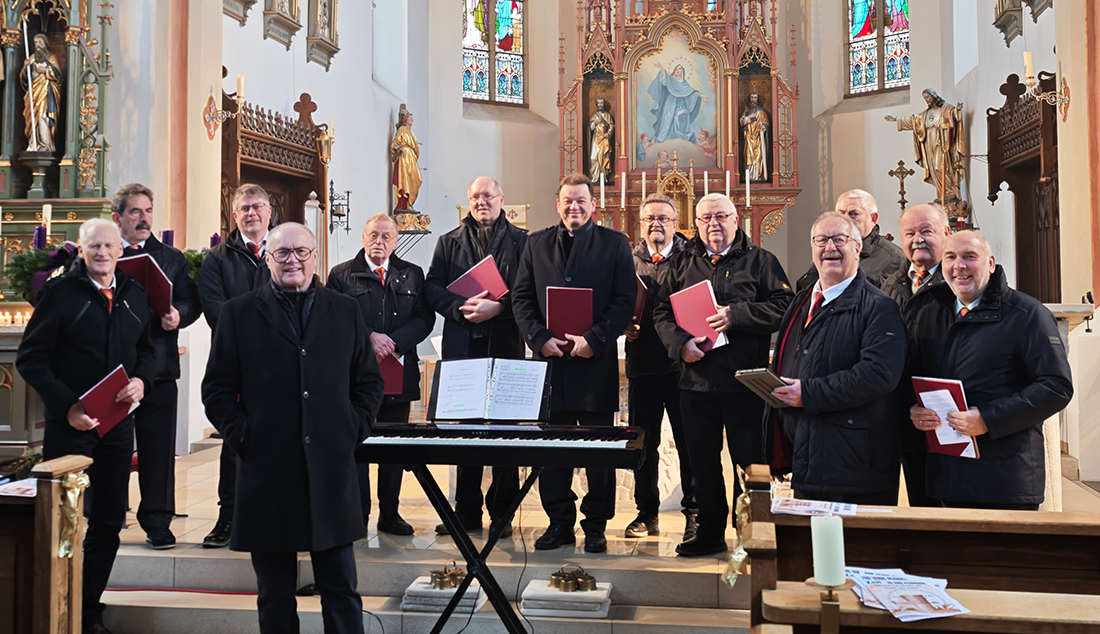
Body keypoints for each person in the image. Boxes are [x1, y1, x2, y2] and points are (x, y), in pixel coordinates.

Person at [202, 223, 384, 634]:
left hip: (330, 467)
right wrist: (244, 436)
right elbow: (216, 389)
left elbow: (368, 382)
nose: (293, 261)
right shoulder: (238, 313)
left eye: (301, 252)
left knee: (341, 589)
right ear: (268, 259)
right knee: (275, 594)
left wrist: (351, 429)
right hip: (268, 469)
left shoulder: (344, 309)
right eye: (282, 253)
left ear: (315, 257)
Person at [17, 218, 155, 634]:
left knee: (109, 520)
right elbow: (31, 358)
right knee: (64, 522)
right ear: (81, 250)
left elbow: (147, 351)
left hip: (116, 427)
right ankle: (55, 608)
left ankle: (88, 609)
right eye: (94, 246)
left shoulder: (134, 294)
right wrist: (68, 407)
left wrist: (141, 381)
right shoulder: (60, 293)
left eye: (109, 246)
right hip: (71, 427)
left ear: (121, 250)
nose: (102, 253)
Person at [653, 193, 792, 556]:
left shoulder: (761, 261)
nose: (713, 223)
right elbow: (661, 313)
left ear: (735, 219)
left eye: (721, 216)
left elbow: (784, 307)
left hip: (746, 382)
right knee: (702, 463)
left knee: (751, 464)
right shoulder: (681, 263)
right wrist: (680, 345)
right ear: (696, 224)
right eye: (706, 218)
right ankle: (710, 531)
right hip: (695, 382)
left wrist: (736, 315)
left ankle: (751, 533)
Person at [512, 173, 635, 554]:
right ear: (558, 203)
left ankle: (596, 525)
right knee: (553, 450)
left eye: (581, 200)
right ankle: (559, 523)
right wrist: (539, 338)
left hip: (594, 364)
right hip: (550, 365)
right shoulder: (535, 243)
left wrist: (594, 340)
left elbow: (624, 300)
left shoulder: (615, 243)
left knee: (599, 452)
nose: (574, 206)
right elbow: (521, 298)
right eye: (567, 200)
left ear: (593, 204)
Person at [906, 231, 1072, 511]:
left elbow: (1056, 387)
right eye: (950, 257)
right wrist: (913, 409)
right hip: (946, 474)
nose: (959, 265)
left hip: (1005, 477)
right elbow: (912, 375)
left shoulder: (1026, 314)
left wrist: (988, 419)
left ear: (991, 263)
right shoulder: (931, 313)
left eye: (969, 256)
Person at [768, 212, 906, 505]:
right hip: (807, 453)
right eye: (821, 240)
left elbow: (878, 375)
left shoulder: (879, 307)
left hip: (855, 465)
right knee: (813, 534)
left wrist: (808, 393)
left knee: (853, 537)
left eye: (839, 239)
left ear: (857, 247)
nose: (829, 247)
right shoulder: (803, 300)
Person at [423, 176, 525, 536]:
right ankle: (466, 512)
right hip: (464, 347)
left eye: (488, 195)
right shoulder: (448, 240)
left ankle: (503, 514)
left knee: (505, 435)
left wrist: (498, 309)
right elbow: (432, 287)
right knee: (466, 434)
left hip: (505, 345)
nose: (482, 201)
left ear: (501, 199)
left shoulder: (523, 241)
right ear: (468, 201)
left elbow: (528, 292)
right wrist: (459, 306)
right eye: (475, 197)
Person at [327, 214, 434, 536]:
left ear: (396, 241)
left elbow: (424, 317)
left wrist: (395, 342)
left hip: (399, 372)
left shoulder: (412, 274)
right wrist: (369, 337)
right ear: (363, 237)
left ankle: (390, 514)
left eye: (387, 236)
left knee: (392, 447)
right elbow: (332, 318)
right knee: (357, 446)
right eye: (374, 234)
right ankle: (357, 514)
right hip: (355, 376)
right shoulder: (341, 275)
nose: (379, 241)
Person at [112, 183, 202, 549]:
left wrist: (179, 315)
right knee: (111, 446)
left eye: (148, 211)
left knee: (158, 449)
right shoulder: (104, 252)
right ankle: (109, 514)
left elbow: (191, 301)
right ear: (118, 217)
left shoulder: (171, 258)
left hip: (159, 366)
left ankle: (157, 521)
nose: (144, 218)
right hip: (114, 369)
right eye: (135, 211)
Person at [197, 183, 272, 548]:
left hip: (280, 362)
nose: (251, 213)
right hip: (235, 363)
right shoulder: (217, 259)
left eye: (257, 207)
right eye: (244, 208)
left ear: (269, 212)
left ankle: (276, 514)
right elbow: (217, 311)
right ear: (234, 215)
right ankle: (228, 516)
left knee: (279, 437)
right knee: (234, 439)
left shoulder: (285, 249)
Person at [623, 194, 696, 542]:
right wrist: (624, 324)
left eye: (663, 218)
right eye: (650, 218)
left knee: (689, 443)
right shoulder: (627, 261)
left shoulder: (691, 258)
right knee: (643, 443)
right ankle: (646, 513)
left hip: (682, 367)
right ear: (641, 224)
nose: (656, 224)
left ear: (675, 223)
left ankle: (694, 512)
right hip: (642, 363)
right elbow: (616, 302)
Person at [881, 203, 951, 508]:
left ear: (946, 233)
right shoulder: (892, 283)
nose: (917, 239)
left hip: (948, 412)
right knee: (920, 502)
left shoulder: (957, 280)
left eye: (926, 231)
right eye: (909, 233)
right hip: (905, 410)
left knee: (952, 505)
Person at [796, 189, 907, 292]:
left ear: (873, 219)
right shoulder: (828, 249)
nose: (845, 219)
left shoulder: (894, 258)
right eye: (841, 214)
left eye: (854, 214)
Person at [885, 89, 966, 213]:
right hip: (929, 145)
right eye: (925, 98)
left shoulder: (945, 109)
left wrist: (957, 111)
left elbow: (953, 115)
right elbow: (913, 120)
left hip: (942, 144)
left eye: (928, 97)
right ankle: (942, 195)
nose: (927, 100)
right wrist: (897, 119)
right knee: (934, 169)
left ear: (934, 96)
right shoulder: (925, 115)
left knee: (940, 167)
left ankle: (951, 192)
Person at [647, 62, 708, 143]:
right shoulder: (672, 80)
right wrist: (661, 68)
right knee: (668, 120)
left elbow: (690, 92)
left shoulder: (685, 84)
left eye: (680, 68)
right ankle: (663, 137)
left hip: (681, 104)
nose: (678, 70)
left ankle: (682, 135)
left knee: (683, 115)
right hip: (671, 103)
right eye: (676, 69)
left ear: (683, 71)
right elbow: (664, 79)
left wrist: (701, 96)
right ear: (674, 72)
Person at [22, 32, 61, 152]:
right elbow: (25, 79)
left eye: (40, 42)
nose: (37, 45)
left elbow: (59, 76)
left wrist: (46, 70)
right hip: (33, 94)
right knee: (32, 117)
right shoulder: (31, 58)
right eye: (35, 43)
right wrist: (25, 68)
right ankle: (33, 144)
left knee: (43, 117)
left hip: (46, 95)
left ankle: (45, 144)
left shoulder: (51, 58)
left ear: (45, 43)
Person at [392, 105, 422, 211]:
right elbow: (395, 143)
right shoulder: (402, 130)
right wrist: (400, 148)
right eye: (410, 118)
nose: (412, 120)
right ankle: (406, 204)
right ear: (406, 120)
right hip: (404, 158)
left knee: (417, 179)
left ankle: (410, 203)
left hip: (412, 157)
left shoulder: (410, 132)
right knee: (405, 180)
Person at [740, 92, 769, 181]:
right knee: (748, 154)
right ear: (749, 99)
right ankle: (749, 174)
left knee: (758, 154)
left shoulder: (761, 111)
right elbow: (741, 122)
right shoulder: (746, 110)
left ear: (757, 99)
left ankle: (757, 175)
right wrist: (749, 117)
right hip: (749, 136)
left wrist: (763, 126)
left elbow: (765, 121)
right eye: (752, 97)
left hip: (758, 137)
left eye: (755, 98)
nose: (753, 100)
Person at [588, 97, 614, 183]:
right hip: (596, 139)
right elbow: (590, 128)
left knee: (603, 158)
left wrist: (608, 133)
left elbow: (611, 125)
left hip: (604, 139)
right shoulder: (594, 115)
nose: (600, 105)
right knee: (593, 158)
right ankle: (595, 177)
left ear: (604, 104)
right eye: (599, 103)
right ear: (597, 104)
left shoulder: (607, 115)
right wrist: (595, 123)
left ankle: (603, 177)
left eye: (601, 103)